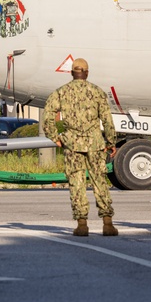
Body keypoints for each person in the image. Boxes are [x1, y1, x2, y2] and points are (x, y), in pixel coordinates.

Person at [43, 58, 118, 237]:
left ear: (71, 73)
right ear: (86, 73)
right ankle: (107, 223)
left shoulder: (61, 92)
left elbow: (48, 116)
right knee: (99, 181)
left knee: (76, 183)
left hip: (72, 143)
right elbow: (107, 119)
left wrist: (55, 137)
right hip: (95, 144)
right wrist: (111, 142)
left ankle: (82, 224)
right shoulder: (97, 92)